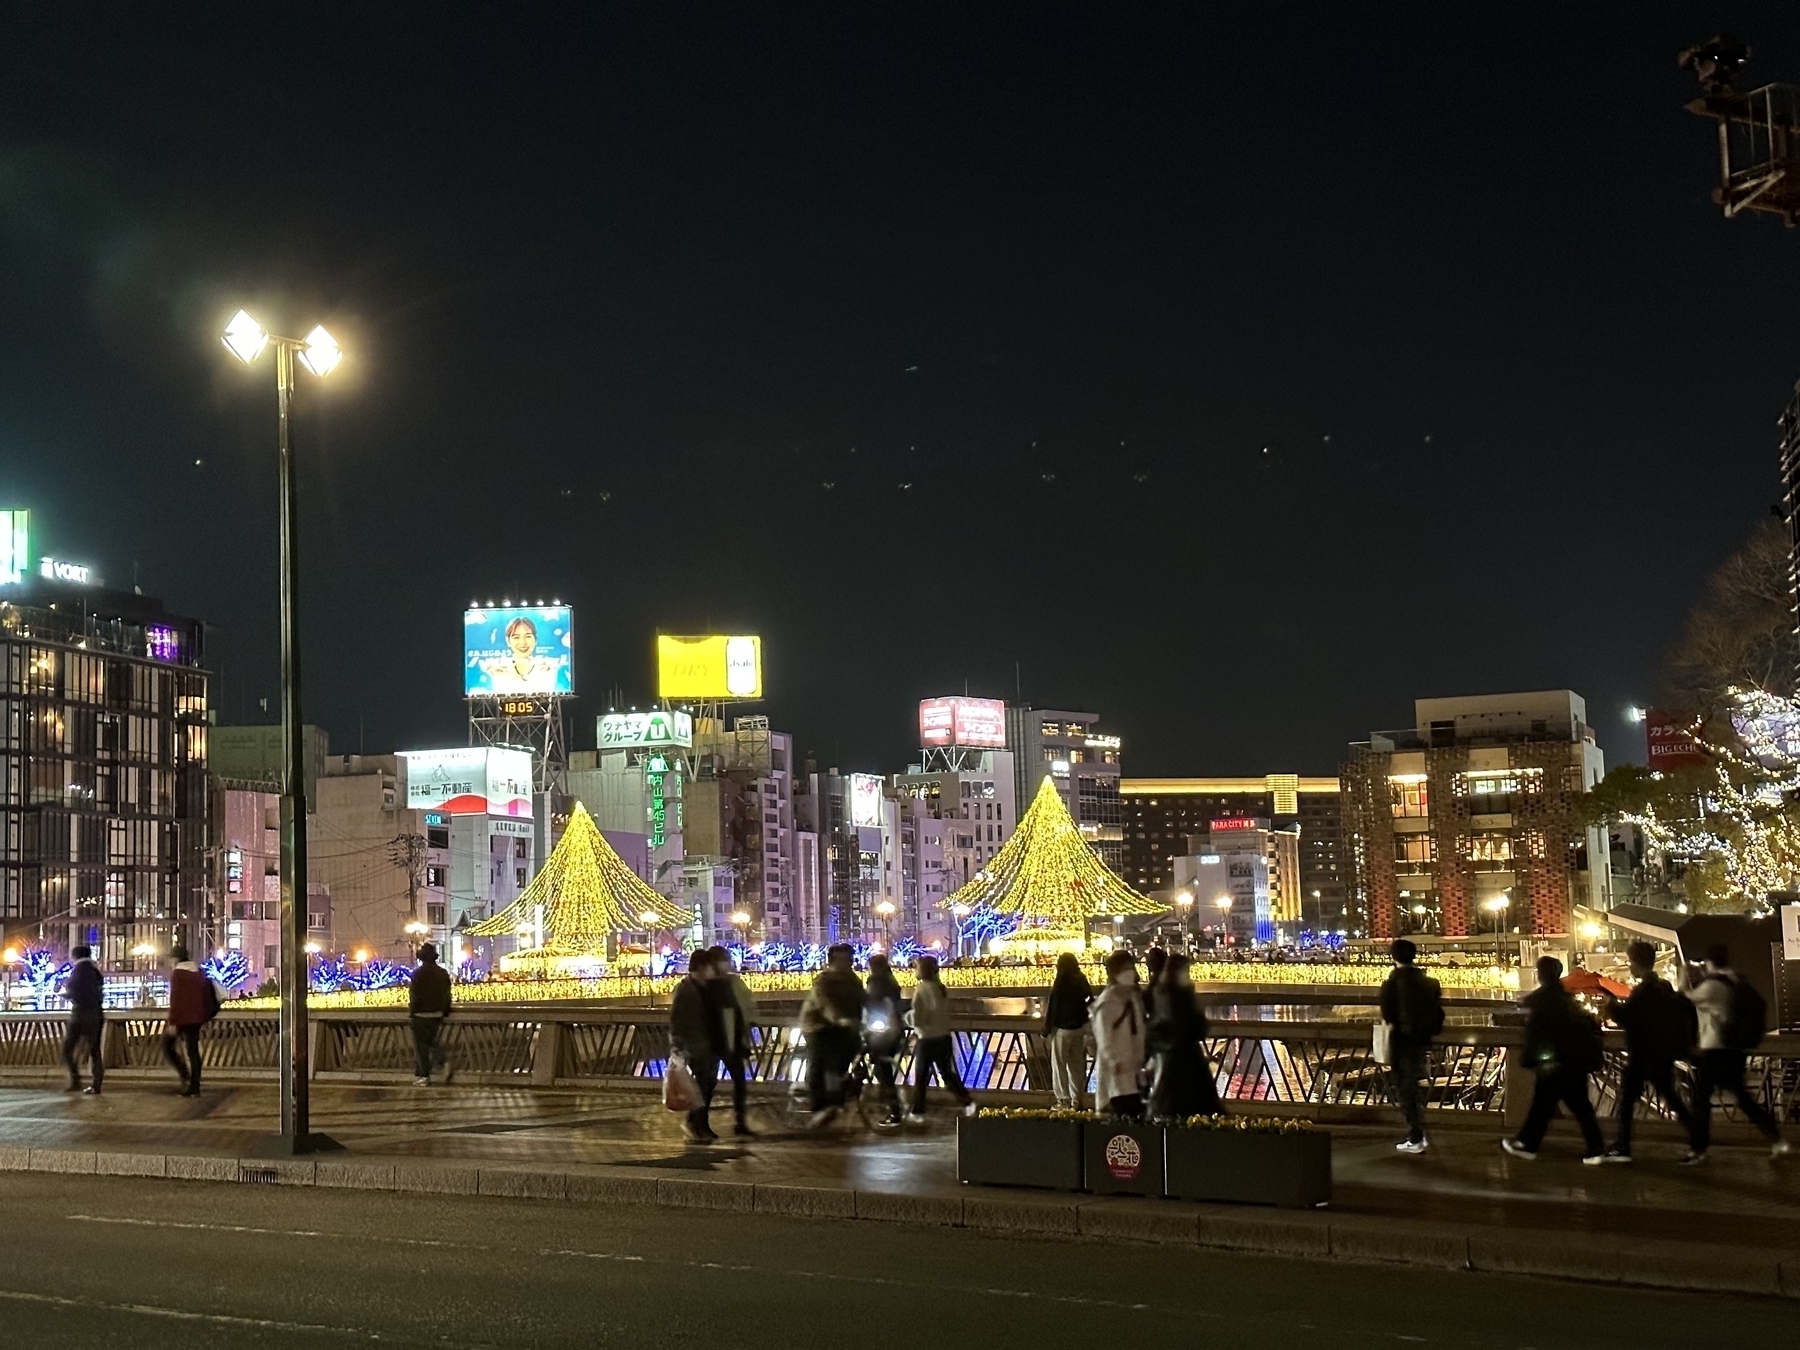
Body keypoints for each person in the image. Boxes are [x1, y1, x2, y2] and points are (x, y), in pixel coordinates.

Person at [1683, 943, 1788, 1162]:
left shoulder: (1711, 986)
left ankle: (1698, 1149)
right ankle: (1777, 1138)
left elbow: (1684, 997)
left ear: (1709, 961)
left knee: (1701, 1099)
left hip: (1714, 1050)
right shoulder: (1735, 980)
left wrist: (1685, 974)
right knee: (1743, 1098)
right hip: (1734, 1049)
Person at [1502, 957, 1605, 1164]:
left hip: (1554, 1062)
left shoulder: (1540, 1000)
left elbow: (1536, 1033)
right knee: (1578, 1106)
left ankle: (1527, 1145)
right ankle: (1595, 1148)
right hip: (1572, 1061)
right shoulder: (1566, 999)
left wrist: (1530, 1057)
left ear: (1541, 974)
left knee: (1544, 1105)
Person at [1600, 940, 1695, 1161]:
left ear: (1636, 962)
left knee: (1627, 1100)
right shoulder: (1663, 987)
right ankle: (1698, 1140)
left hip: (1644, 1055)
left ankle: (1623, 1146)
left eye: (1630, 961)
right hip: (1660, 1054)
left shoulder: (1644, 991)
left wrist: (1611, 1005)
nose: (1629, 965)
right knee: (1672, 1099)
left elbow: (1629, 1018)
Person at [1379, 938, 1444, 1154]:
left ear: (1393, 957)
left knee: (1405, 1088)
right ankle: (1419, 1132)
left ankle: (1415, 1136)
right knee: (1414, 1084)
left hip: (1401, 1041)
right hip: (1423, 1040)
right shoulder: (1429, 982)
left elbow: (1387, 1015)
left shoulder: (1391, 984)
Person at [1146, 953, 1222, 1120]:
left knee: (1172, 1106)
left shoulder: (1162, 992)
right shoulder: (1177, 996)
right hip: (1183, 1060)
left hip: (1171, 1057)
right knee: (1191, 1106)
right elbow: (1191, 1025)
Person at [800, 943, 864, 1126]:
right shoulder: (824, 980)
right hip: (818, 1026)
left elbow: (863, 998)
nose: (850, 962)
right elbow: (824, 1003)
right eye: (846, 959)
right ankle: (818, 1105)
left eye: (850, 958)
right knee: (821, 1062)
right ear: (834, 960)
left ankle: (842, 1097)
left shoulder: (852, 979)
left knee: (854, 1058)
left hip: (844, 1026)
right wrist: (837, 1018)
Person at [906, 954, 973, 1119]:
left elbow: (919, 1017)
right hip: (944, 1037)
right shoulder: (940, 988)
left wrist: (906, 1018)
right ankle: (967, 1101)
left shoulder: (921, 989)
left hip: (927, 1039)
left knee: (921, 1075)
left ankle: (918, 1110)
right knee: (947, 1073)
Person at [669, 948, 723, 1142]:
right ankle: (697, 1124)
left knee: (708, 1085)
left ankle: (700, 1123)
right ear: (700, 967)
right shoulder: (686, 989)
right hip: (695, 1045)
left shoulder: (707, 987)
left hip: (710, 1044)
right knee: (702, 1085)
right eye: (709, 967)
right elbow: (677, 1019)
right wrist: (678, 1046)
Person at [1089, 949, 1147, 1118]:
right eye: (1125, 969)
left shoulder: (1132, 998)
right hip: (1117, 1080)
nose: (1130, 973)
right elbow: (1104, 1037)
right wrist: (1115, 1062)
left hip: (1135, 1076)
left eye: (1131, 967)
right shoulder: (1107, 1002)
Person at [707, 945, 756, 1137]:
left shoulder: (734, 982)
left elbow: (747, 1006)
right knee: (708, 1083)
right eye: (722, 960)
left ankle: (740, 1121)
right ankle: (698, 1120)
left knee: (739, 1082)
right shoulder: (705, 985)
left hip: (734, 1038)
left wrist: (747, 1024)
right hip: (713, 1038)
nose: (726, 964)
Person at [162, 944, 218, 1097]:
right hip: (198, 1017)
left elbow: (176, 1000)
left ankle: (185, 1076)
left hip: (182, 1018)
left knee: (166, 1045)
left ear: (177, 958)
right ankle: (195, 1086)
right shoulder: (198, 972)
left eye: (172, 958)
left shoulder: (178, 974)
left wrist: (172, 1022)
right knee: (193, 1051)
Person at [1044, 952, 1093, 1110]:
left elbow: (1053, 1006)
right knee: (1077, 1065)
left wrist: (1047, 1027)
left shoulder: (1061, 981)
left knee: (1059, 1065)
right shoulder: (1081, 979)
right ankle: (1077, 1099)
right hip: (1079, 1028)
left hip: (1063, 1029)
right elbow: (1089, 1000)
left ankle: (1063, 1100)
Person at [863, 953, 905, 1126]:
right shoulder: (892, 983)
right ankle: (888, 1104)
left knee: (882, 1070)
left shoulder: (876, 983)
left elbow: (870, 1003)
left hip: (880, 1032)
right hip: (893, 1031)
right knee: (883, 1068)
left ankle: (893, 1109)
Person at [61, 945, 105, 1095]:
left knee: (67, 1049)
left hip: (80, 1014)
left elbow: (75, 991)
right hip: (96, 1014)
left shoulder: (78, 970)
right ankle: (96, 1084)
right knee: (95, 1050)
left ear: (75, 956)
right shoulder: (95, 971)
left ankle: (76, 1080)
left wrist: (64, 994)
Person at [408, 942, 454, 1086]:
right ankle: (443, 1061)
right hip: (437, 1013)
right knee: (432, 1040)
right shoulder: (442, 973)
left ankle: (424, 1075)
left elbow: (414, 996)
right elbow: (447, 995)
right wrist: (444, 1010)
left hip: (421, 1014)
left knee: (421, 1046)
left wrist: (412, 1011)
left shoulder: (418, 974)